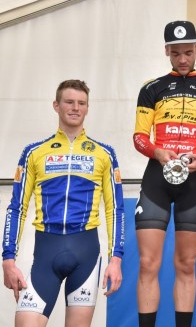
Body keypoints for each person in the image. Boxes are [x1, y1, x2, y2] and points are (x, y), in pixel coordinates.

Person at [2, 79, 125, 327]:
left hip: (86, 254)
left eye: (82, 103)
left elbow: (115, 209)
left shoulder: (104, 153)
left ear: (87, 108)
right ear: (56, 105)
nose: (75, 108)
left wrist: (116, 259)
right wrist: (8, 259)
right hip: (46, 251)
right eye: (69, 102)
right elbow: (17, 208)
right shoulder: (34, 152)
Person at [133, 20, 196, 327]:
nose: (183, 59)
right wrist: (157, 152)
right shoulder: (151, 88)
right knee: (148, 263)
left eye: (188, 52)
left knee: (186, 264)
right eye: (176, 53)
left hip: (194, 181)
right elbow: (139, 137)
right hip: (156, 181)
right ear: (167, 52)